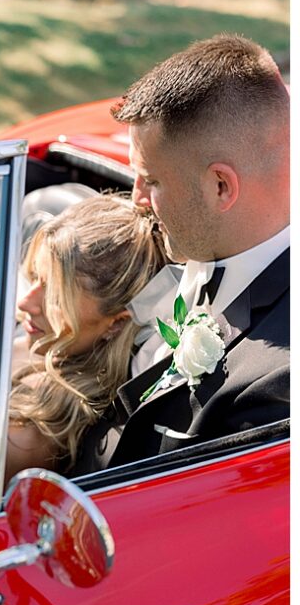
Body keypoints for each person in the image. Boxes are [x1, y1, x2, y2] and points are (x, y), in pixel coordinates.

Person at [73, 34, 290, 473]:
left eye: (150, 181)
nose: (134, 199)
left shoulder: (276, 382)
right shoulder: (192, 244)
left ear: (220, 187)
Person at [0, 195, 169, 491]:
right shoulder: (52, 336)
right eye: (35, 278)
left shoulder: (25, 437)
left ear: (115, 324)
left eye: (54, 296)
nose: (25, 302)